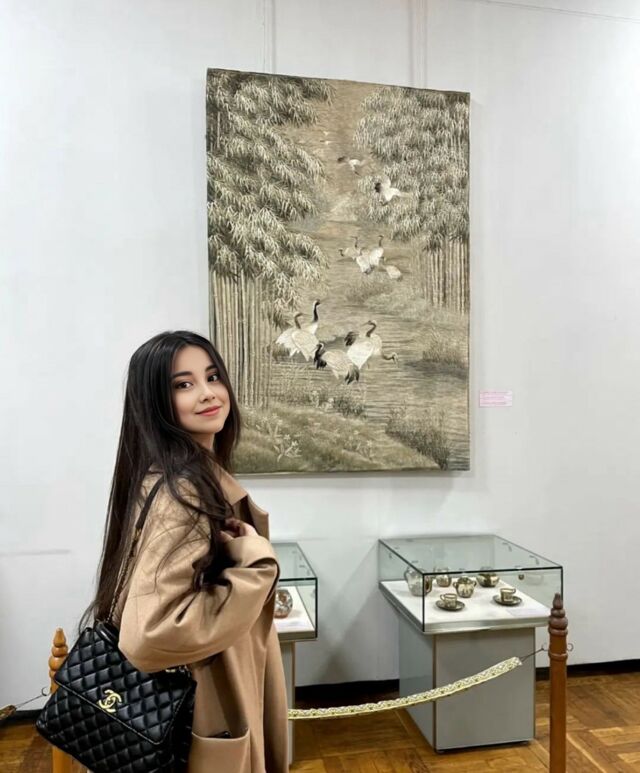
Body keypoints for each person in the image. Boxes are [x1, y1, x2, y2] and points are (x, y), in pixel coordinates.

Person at [84, 330, 288, 773]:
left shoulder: (174, 475)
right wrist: (254, 566)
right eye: (183, 384)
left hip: (207, 687)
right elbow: (150, 633)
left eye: (212, 377)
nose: (208, 393)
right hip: (208, 698)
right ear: (155, 401)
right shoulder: (184, 493)